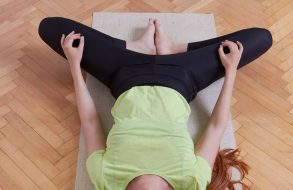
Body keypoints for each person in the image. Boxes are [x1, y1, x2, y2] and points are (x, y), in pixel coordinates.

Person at [38, 17, 272, 190]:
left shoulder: (105, 179)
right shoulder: (192, 180)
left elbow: (90, 121)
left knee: (50, 28)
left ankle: (138, 48)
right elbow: (215, 127)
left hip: (123, 73)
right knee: (261, 38)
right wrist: (231, 70)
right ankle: (173, 50)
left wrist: (75, 65)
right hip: (182, 76)